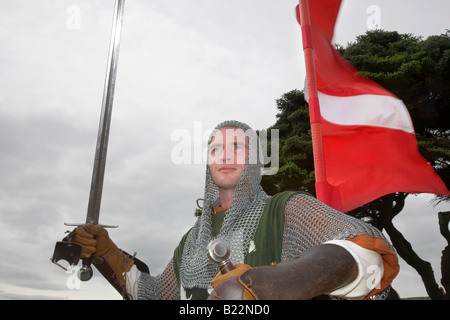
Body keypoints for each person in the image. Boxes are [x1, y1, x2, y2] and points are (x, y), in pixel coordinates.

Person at [73, 120, 399, 300]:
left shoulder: (286, 209)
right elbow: (154, 296)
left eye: (237, 147)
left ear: (254, 160)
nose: (225, 156)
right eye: (216, 149)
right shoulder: (191, 241)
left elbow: (366, 255)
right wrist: (106, 253)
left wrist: (272, 284)